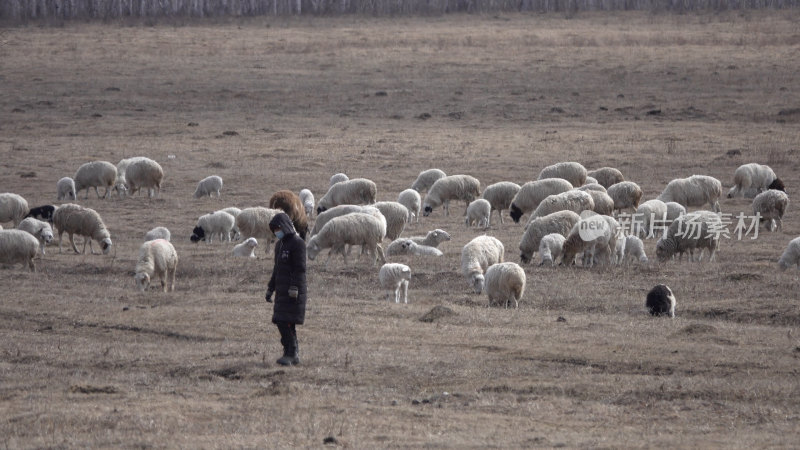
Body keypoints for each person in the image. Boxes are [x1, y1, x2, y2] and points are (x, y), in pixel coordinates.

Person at [264, 212, 307, 366]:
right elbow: (277, 269)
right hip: (282, 291)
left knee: (286, 321)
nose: (276, 232)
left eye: (278, 228)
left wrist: (295, 287)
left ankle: (292, 352)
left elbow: (300, 268)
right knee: (283, 321)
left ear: (285, 226)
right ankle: (289, 352)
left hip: (292, 291)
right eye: (274, 229)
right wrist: (270, 288)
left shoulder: (298, 243)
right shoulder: (279, 245)